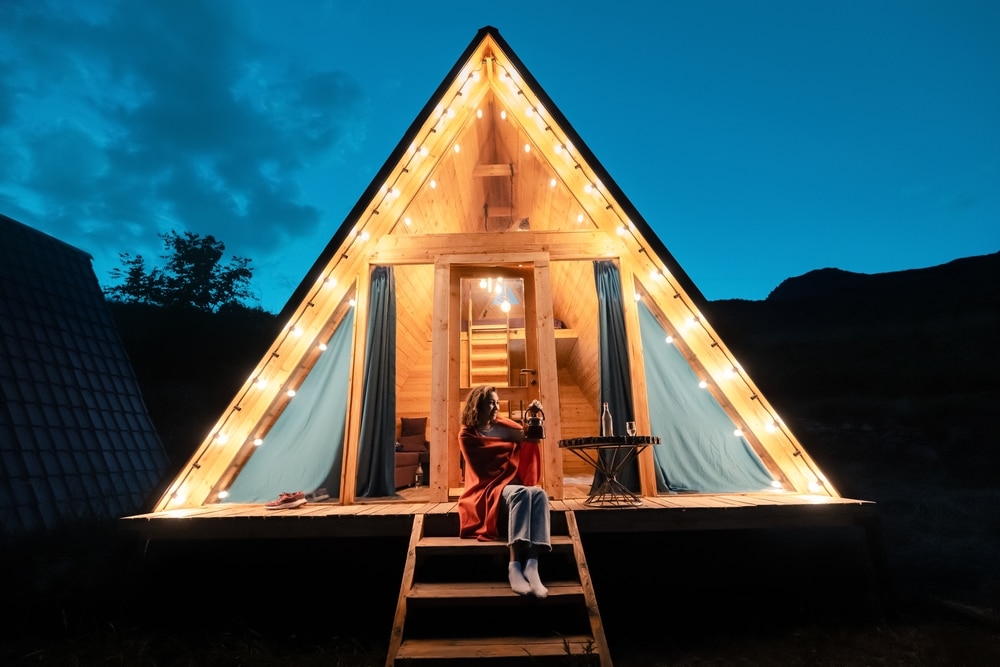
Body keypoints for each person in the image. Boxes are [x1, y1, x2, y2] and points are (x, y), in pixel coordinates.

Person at [457, 385, 551, 598]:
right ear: (477, 405)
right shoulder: (467, 434)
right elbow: (484, 468)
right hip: (486, 490)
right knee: (521, 493)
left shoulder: (504, 426)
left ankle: (532, 566)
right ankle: (514, 566)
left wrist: (533, 417)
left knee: (538, 493)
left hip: (511, 485)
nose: (496, 407)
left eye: (498, 402)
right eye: (491, 402)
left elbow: (531, 438)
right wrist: (512, 443)